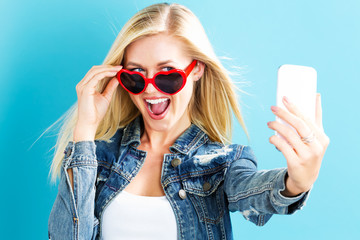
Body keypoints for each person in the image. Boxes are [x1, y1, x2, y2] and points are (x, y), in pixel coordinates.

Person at [47, 3, 329, 240]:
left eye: (168, 73)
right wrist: (83, 133)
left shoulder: (222, 162)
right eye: (135, 75)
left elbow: (258, 195)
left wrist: (297, 182)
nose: (150, 89)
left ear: (197, 70)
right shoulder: (98, 157)